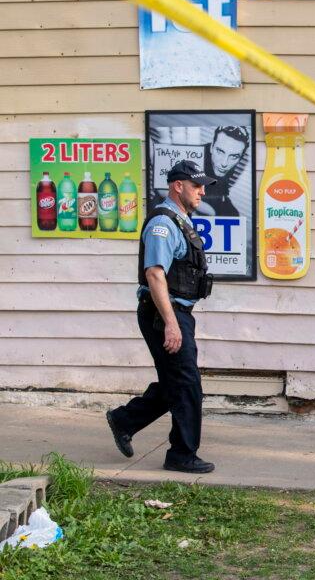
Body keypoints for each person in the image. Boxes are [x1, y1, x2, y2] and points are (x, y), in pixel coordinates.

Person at [105, 160, 216, 473]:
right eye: (196, 186)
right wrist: (170, 323)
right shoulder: (163, 224)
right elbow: (155, 274)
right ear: (177, 186)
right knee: (187, 383)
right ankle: (181, 454)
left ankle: (125, 419)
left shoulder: (179, 220)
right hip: (163, 313)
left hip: (175, 312)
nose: (202, 192)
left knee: (174, 382)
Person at [199, 125, 250, 216]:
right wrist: (204, 208)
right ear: (211, 147)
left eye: (234, 156)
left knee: (235, 216)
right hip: (195, 198)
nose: (224, 163)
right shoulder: (195, 156)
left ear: (240, 157)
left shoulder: (230, 162)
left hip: (216, 195)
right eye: (220, 151)